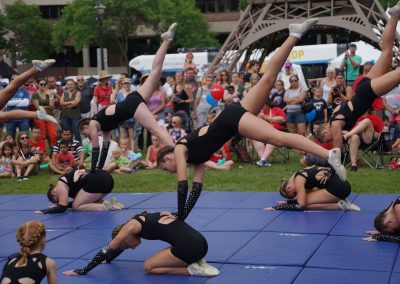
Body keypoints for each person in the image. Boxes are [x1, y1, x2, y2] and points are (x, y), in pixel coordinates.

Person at [157, 19, 346, 222]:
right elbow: (197, 187)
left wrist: (178, 214)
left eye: (164, 169)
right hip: (232, 116)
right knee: (269, 77)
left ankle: (329, 154)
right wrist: (183, 215)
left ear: (167, 159)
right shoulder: (195, 158)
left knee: (279, 138)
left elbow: (182, 184)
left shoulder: (179, 149)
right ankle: (295, 35)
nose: (169, 172)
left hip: (231, 121)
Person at [88, 24, 177, 172]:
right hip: (133, 100)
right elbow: (105, 147)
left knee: (157, 130)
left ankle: (177, 154)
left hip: (131, 106)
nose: (91, 134)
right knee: (156, 72)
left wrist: (92, 170)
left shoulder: (93, 123)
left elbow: (96, 148)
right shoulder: (104, 128)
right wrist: (99, 170)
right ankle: (167, 40)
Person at [323, 2, 400, 149]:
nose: (328, 139)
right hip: (363, 87)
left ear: (326, 130)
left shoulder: (334, 124)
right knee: (387, 52)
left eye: (326, 137)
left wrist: (334, 159)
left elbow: (337, 147)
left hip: (367, 93)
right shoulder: (335, 115)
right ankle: (395, 15)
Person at [63, 211, 219, 277]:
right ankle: (197, 259)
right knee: (170, 248)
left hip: (191, 247)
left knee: (149, 267)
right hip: (201, 243)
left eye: (126, 246)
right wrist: (109, 259)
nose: (131, 248)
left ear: (123, 236)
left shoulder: (131, 227)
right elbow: (116, 248)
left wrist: (82, 270)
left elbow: (110, 247)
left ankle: (191, 270)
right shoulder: (144, 218)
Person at [0, 60, 57, 138]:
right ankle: (36, 68)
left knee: (8, 92)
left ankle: (36, 68)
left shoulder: (25, 91)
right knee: (4, 114)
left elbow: (24, 102)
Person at [264, 165, 360, 211]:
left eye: (295, 193)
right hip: (344, 185)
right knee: (306, 200)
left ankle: (340, 205)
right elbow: (328, 168)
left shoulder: (298, 180)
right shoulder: (302, 171)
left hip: (338, 189)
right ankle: (341, 201)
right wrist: (289, 202)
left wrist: (277, 207)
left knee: (306, 205)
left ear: (289, 188)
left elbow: (300, 205)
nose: (297, 194)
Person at [35, 169, 123, 214]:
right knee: (86, 203)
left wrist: (44, 211)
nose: (59, 201)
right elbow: (67, 204)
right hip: (107, 179)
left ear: (53, 192)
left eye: (56, 200)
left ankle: (105, 207)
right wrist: (58, 206)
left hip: (97, 180)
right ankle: (107, 203)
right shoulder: (66, 186)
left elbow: (62, 207)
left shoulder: (59, 186)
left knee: (76, 206)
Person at [253, 99, 287, 167]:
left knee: (272, 139)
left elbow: (283, 119)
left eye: (262, 105)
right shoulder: (258, 112)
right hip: (263, 132)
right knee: (255, 139)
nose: (260, 106)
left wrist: (266, 118)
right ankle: (263, 160)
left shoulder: (276, 109)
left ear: (267, 104)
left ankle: (263, 160)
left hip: (276, 132)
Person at [32, 78, 57, 146]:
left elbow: (52, 106)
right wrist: (47, 106)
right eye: (41, 84)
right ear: (37, 84)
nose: (43, 85)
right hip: (40, 116)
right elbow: (37, 107)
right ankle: (42, 151)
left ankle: (53, 150)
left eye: (44, 84)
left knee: (53, 134)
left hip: (50, 115)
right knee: (42, 135)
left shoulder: (50, 93)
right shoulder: (35, 94)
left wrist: (50, 96)